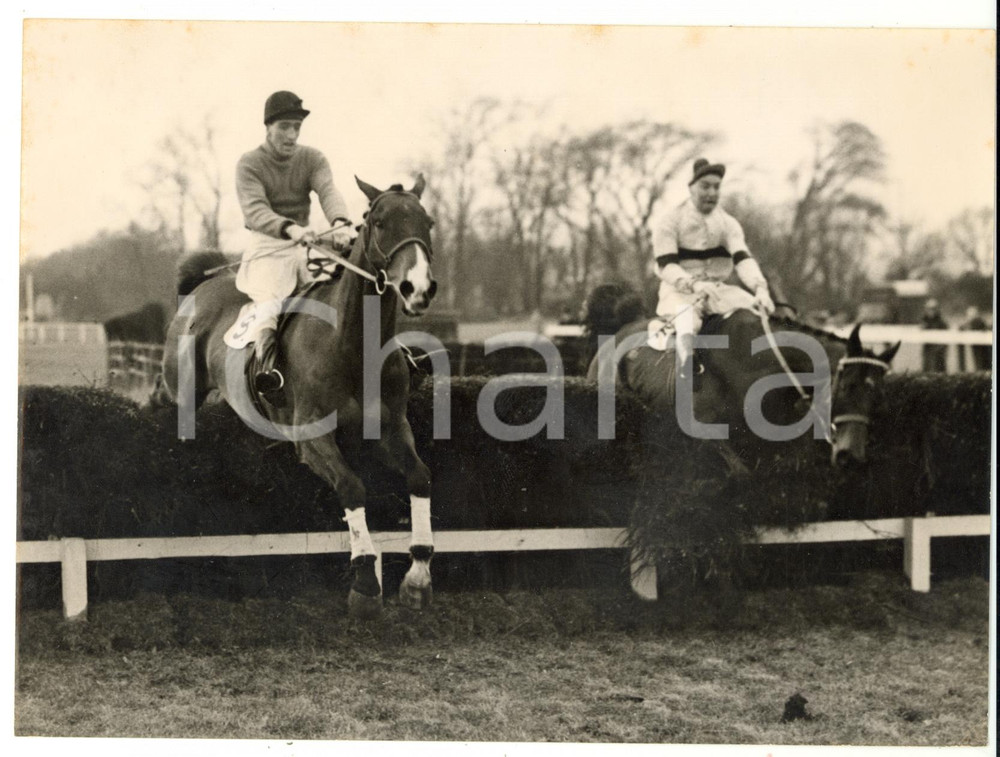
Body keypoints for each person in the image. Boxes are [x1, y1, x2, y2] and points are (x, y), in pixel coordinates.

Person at [235, 90, 354, 392]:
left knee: (344, 290)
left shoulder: (312, 158)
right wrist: (289, 228)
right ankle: (268, 370)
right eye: (284, 127)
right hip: (268, 247)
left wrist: (339, 222)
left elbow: (328, 190)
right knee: (270, 303)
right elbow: (256, 210)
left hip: (305, 244)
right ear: (268, 127)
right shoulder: (249, 164)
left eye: (296, 128)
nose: (291, 135)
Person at [651, 157, 776, 380]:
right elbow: (667, 266)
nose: (711, 192)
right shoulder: (670, 221)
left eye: (716, 187)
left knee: (758, 313)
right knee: (687, 320)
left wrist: (760, 289)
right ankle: (685, 375)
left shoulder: (728, 223)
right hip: (680, 292)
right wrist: (694, 283)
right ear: (691, 188)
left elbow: (743, 259)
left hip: (717, 291)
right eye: (705, 186)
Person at [959, 306, 991, 372]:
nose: (971, 317)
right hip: (971, 349)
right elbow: (960, 329)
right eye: (969, 315)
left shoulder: (980, 323)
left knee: (980, 365)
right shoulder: (965, 325)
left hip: (980, 350)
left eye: (973, 315)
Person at [920, 299, 948, 373]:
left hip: (938, 354)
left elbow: (945, 340)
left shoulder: (942, 323)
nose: (931, 311)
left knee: (939, 371)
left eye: (933, 309)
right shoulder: (924, 322)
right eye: (929, 309)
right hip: (928, 352)